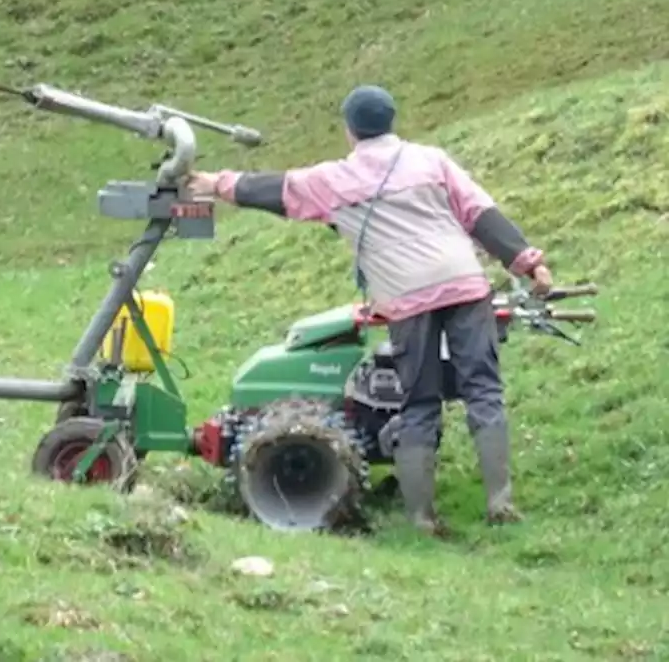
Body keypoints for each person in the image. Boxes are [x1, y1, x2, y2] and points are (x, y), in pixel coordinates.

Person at [186, 85, 551, 535]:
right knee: (484, 390)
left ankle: (422, 518)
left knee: (418, 401)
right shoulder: (431, 160)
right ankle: (500, 502)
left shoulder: (336, 179)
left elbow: (277, 189)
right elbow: (480, 213)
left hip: (407, 297)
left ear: (349, 129)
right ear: (392, 119)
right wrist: (528, 262)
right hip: (463, 283)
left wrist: (213, 184)